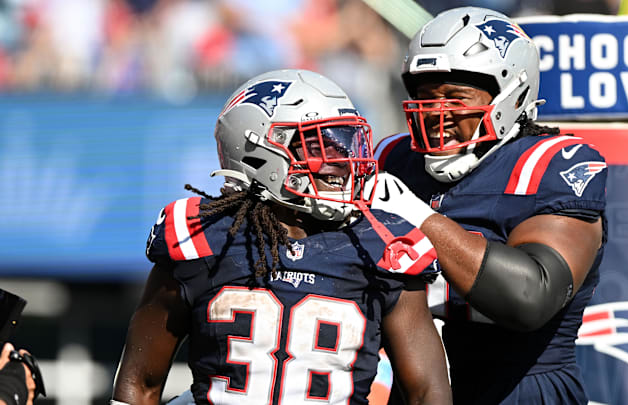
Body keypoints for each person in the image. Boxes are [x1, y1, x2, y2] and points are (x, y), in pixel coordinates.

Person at [110, 69, 452, 405]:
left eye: (344, 143)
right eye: (318, 145)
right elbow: (138, 385)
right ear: (257, 152)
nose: (341, 161)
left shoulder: (382, 245)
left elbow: (427, 393)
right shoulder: (202, 238)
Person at [369, 7, 607, 404]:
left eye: (454, 97)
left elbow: (530, 297)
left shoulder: (550, 164)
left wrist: (418, 217)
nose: (436, 113)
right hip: (413, 388)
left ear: (509, 95)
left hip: (520, 389)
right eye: (425, 97)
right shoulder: (395, 158)